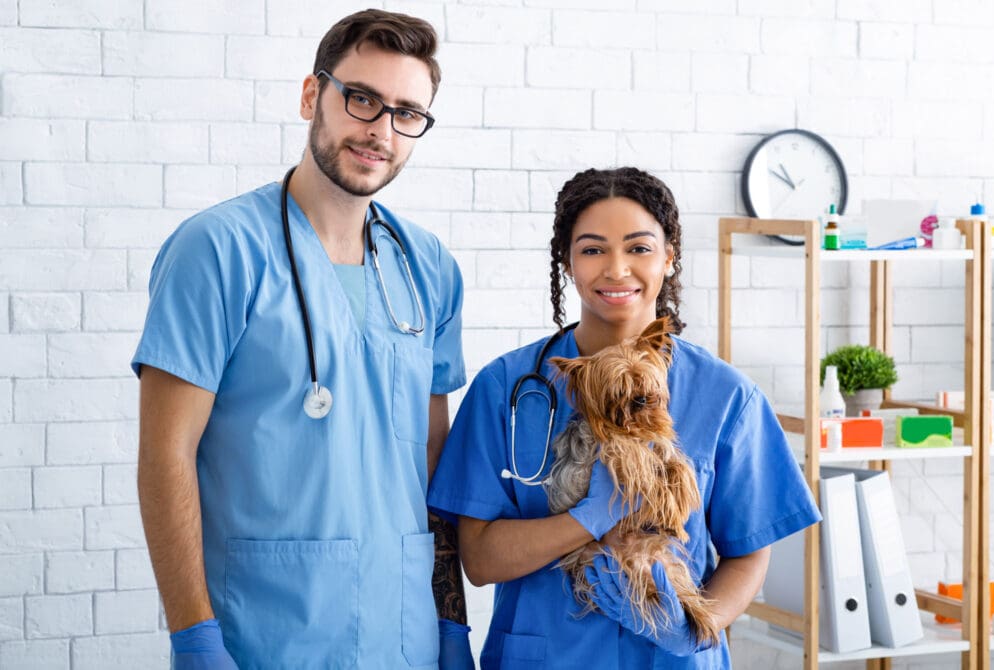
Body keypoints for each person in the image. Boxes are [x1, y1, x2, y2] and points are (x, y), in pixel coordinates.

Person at [133, 10, 473, 669]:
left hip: (403, 635)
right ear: (312, 95)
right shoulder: (219, 251)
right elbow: (164, 457)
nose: (380, 130)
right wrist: (194, 637)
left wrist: (449, 621)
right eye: (361, 98)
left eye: (407, 113)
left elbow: (433, 468)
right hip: (262, 634)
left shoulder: (428, 266)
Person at [427, 167, 821, 668]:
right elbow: (480, 560)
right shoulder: (506, 387)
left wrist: (695, 631)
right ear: (567, 262)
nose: (616, 269)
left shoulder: (726, 397)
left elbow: (749, 554)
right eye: (592, 249)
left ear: (669, 257)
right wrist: (589, 516)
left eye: (638, 248)